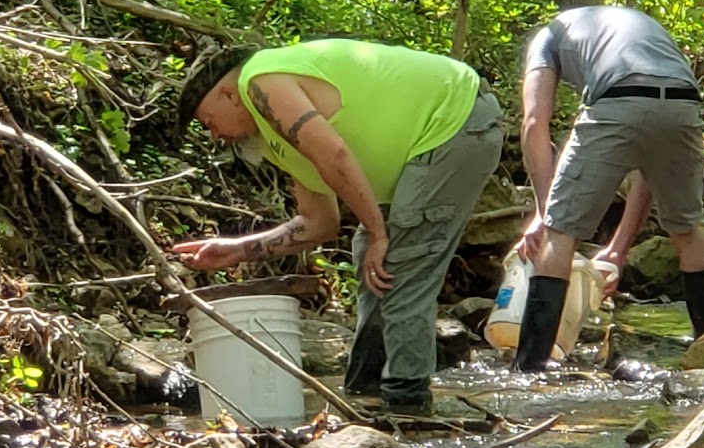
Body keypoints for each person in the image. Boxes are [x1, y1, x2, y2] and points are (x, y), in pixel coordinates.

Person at [172, 40, 504, 412]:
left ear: (227, 94)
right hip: (428, 142)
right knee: (372, 258)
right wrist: (236, 250)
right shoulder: (275, 138)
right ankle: (366, 392)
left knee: (402, 261)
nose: (215, 135)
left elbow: (335, 154)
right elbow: (319, 223)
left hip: (456, 118)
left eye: (209, 122)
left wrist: (379, 233)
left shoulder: (259, 79)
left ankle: (408, 405)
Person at [511, 4, 704, 372]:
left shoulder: (547, 37)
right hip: (683, 101)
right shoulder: (643, 32)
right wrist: (617, 250)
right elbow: (649, 167)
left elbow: (533, 122)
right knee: (686, 230)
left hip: (617, 95)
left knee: (560, 233)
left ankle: (530, 369)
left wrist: (545, 213)